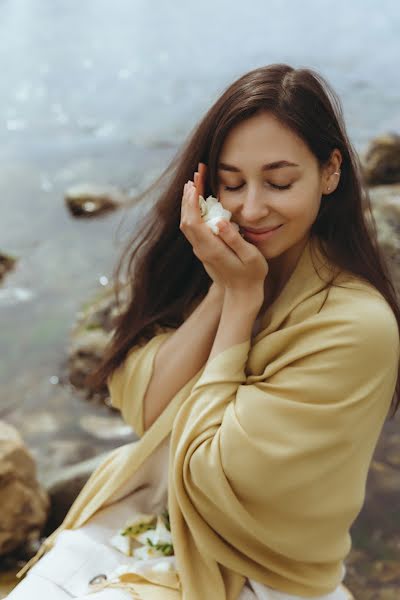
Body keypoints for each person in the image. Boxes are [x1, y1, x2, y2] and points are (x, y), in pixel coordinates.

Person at [8, 64, 400, 600]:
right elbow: (146, 407)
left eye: (280, 182)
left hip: (261, 567)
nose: (252, 208)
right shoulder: (219, 263)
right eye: (231, 183)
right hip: (159, 520)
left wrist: (241, 304)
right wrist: (223, 291)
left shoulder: (357, 327)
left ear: (330, 171)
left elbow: (214, 476)